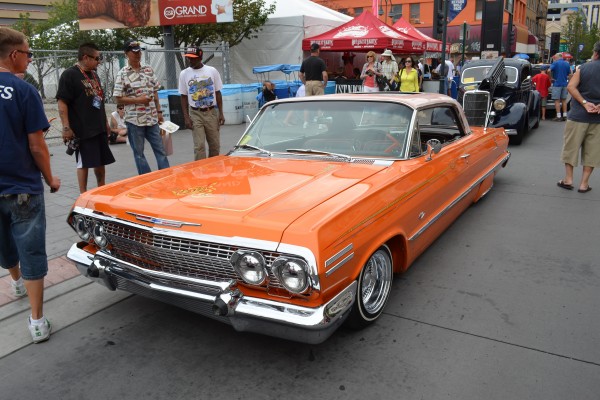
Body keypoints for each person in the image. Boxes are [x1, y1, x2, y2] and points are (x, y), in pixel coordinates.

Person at [0, 27, 60, 343]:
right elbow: (37, 145)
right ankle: (37, 321)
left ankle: (16, 282)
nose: (29, 59)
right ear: (14, 55)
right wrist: (50, 178)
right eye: (27, 53)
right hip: (22, 185)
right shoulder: (24, 91)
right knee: (31, 248)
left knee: (4, 243)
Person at [57, 42, 115, 193]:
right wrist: (66, 127)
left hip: (99, 127)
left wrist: (105, 122)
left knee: (100, 161)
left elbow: (99, 100)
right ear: (85, 57)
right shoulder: (69, 74)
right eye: (96, 58)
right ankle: (83, 193)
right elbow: (62, 102)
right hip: (83, 129)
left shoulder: (94, 75)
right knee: (84, 163)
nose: (99, 61)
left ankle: (101, 190)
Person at [114, 39, 169, 174]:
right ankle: (147, 179)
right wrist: (138, 100)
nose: (137, 54)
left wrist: (159, 112)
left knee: (161, 150)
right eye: (134, 52)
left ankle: (166, 177)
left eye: (139, 51)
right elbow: (117, 98)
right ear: (126, 54)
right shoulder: (122, 73)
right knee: (139, 154)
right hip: (134, 121)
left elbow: (155, 91)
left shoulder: (148, 70)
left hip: (152, 118)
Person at [557, 41, 600, 194]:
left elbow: (571, 87)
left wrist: (585, 103)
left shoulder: (584, 68)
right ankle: (584, 184)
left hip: (578, 116)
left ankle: (568, 179)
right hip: (598, 119)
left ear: (596, 53)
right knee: (592, 151)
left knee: (571, 148)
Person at [179, 45, 225, 160]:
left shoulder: (212, 71)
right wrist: (186, 117)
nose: (190, 60)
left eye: (193, 58)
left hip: (211, 112)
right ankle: (200, 169)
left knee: (214, 145)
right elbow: (183, 96)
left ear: (200, 58)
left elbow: (218, 93)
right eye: (189, 58)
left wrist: (221, 113)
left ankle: (213, 167)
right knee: (199, 146)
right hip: (195, 113)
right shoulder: (184, 74)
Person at [549, 52, 572, 121]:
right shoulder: (567, 64)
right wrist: (569, 82)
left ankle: (558, 116)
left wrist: (551, 78)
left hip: (557, 84)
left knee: (557, 100)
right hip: (564, 84)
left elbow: (549, 70)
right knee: (564, 100)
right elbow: (570, 74)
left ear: (556, 57)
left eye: (554, 57)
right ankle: (565, 115)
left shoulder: (555, 63)